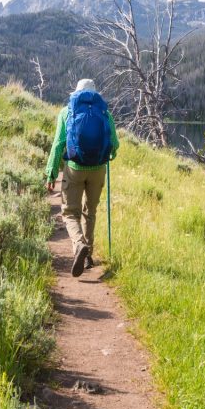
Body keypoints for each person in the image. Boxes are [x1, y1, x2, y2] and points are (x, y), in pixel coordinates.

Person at [46, 78, 119, 277]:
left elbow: (58, 144)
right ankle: (88, 255)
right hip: (98, 169)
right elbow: (115, 144)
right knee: (90, 211)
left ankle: (79, 245)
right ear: (95, 94)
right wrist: (109, 155)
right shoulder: (104, 113)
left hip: (74, 168)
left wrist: (51, 172)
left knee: (70, 212)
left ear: (76, 93)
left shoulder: (66, 111)